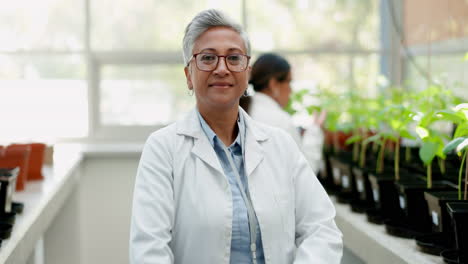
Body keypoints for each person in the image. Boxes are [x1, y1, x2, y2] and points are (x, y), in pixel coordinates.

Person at [129, 9, 342, 264]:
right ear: (188, 75)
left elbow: (321, 228)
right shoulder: (163, 148)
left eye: (233, 58)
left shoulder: (280, 144)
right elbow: (149, 250)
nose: (222, 68)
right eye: (208, 58)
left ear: (247, 73)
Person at [244, 53, 325, 173]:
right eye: (289, 82)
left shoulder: (245, 110)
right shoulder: (280, 121)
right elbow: (305, 172)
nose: (291, 90)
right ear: (274, 84)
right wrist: (315, 131)